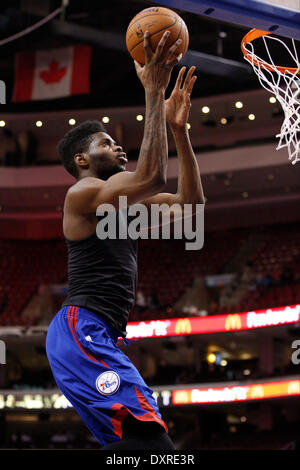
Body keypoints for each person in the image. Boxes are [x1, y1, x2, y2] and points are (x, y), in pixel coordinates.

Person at [46, 30, 205, 450]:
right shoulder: (81, 195)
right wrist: (153, 92)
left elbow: (190, 205)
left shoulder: (122, 214)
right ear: (82, 160)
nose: (118, 145)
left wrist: (179, 130)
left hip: (97, 333)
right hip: (83, 328)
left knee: (130, 445)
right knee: (150, 438)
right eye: (106, 142)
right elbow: (152, 176)